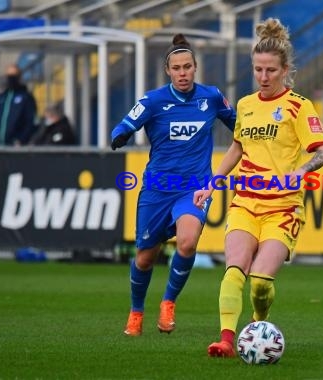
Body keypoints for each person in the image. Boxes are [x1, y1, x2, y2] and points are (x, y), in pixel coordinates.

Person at [193, 18, 323, 358]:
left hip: (283, 208)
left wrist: (301, 171)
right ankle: (226, 340)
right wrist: (211, 185)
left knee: (259, 283)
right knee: (234, 267)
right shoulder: (245, 105)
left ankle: (259, 321)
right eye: (258, 70)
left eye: (270, 70)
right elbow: (237, 148)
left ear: (285, 70)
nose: (264, 77)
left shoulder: (299, 106)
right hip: (246, 202)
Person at [110, 33, 236, 336]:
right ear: (168, 70)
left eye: (187, 67)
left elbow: (240, 128)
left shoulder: (212, 98)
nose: (183, 73)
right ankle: (136, 311)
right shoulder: (153, 101)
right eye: (176, 68)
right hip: (157, 189)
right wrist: (121, 135)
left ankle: (168, 303)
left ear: (195, 67)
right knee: (145, 258)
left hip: (194, 187)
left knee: (188, 242)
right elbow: (126, 123)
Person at [0, 63, 38, 145]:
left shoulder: (26, 97)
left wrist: (21, 139)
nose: (11, 79)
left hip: (15, 146)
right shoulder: (1, 98)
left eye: (14, 76)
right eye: (9, 76)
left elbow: (31, 121)